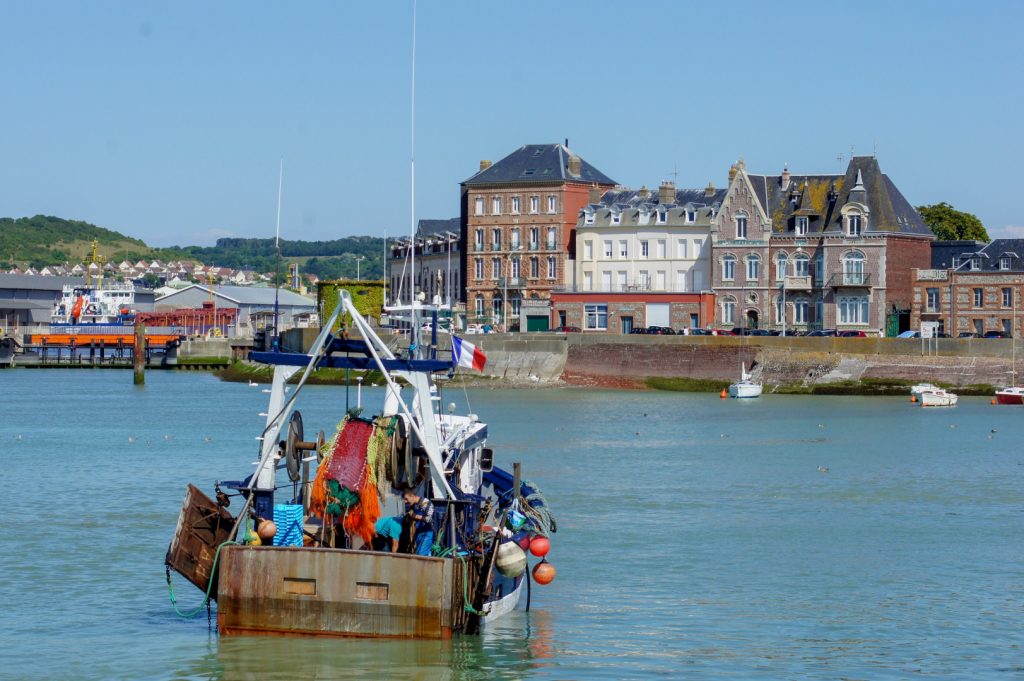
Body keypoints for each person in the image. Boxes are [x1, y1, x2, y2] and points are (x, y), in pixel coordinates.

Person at [402, 488, 434, 556]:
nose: (405, 501)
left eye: (406, 499)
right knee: (418, 554)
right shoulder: (414, 505)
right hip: (419, 533)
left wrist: (416, 516)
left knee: (421, 555)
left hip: (427, 533)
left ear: (413, 496)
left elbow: (431, 519)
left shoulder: (425, 503)